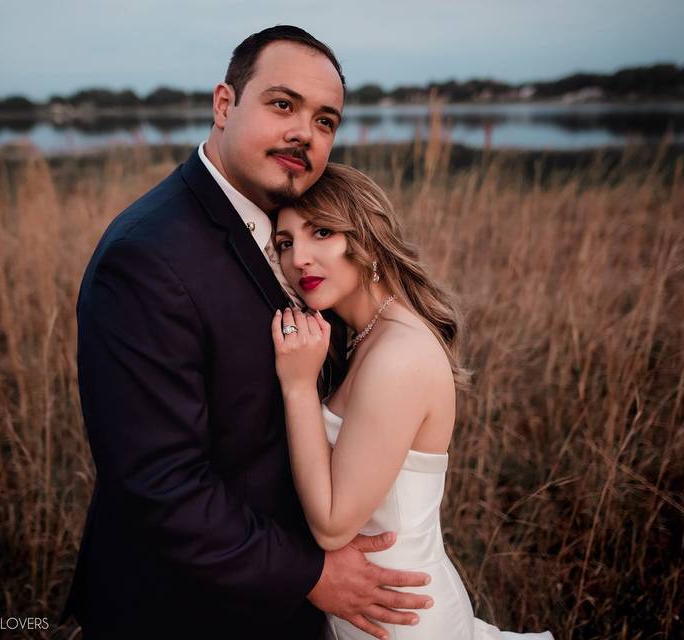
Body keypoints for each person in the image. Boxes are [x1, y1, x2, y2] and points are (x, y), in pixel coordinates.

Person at [62, 26, 435, 639]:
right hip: (188, 613)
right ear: (224, 105)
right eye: (283, 105)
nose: (305, 134)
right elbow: (160, 484)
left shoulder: (294, 235)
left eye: (325, 121)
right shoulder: (148, 256)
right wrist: (311, 574)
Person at [270, 164, 555, 640]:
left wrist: (298, 388)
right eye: (285, 242)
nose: (300, 257)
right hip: (372, 608)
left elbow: (334, 526)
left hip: (404, 621)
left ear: (367, 236)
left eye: (322, 231)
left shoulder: (398, 355)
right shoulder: (368, 337)